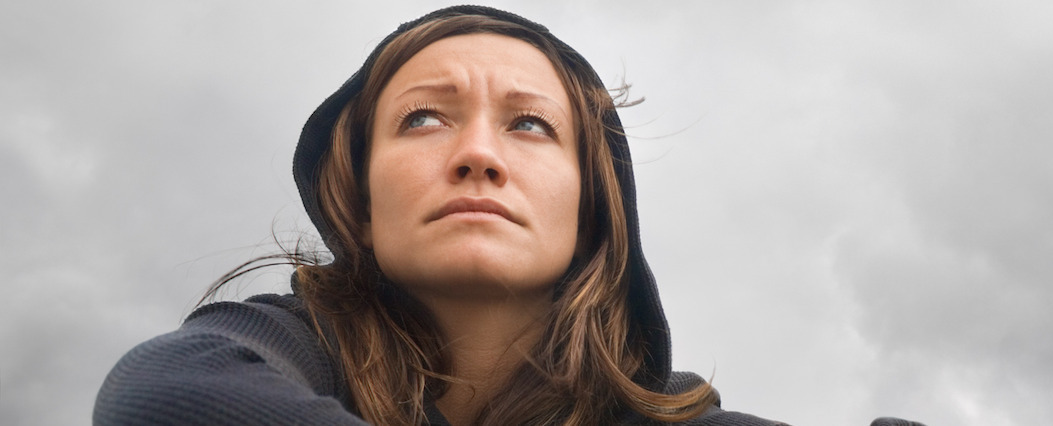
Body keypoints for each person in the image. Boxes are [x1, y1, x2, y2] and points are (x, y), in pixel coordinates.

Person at [93, 5, 785, 425]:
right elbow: (163, 399)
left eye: (531, 125)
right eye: (423, 118)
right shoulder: (281, 344)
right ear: (359, 204)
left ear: (592, 210)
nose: (478, 154)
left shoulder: (661, 411)